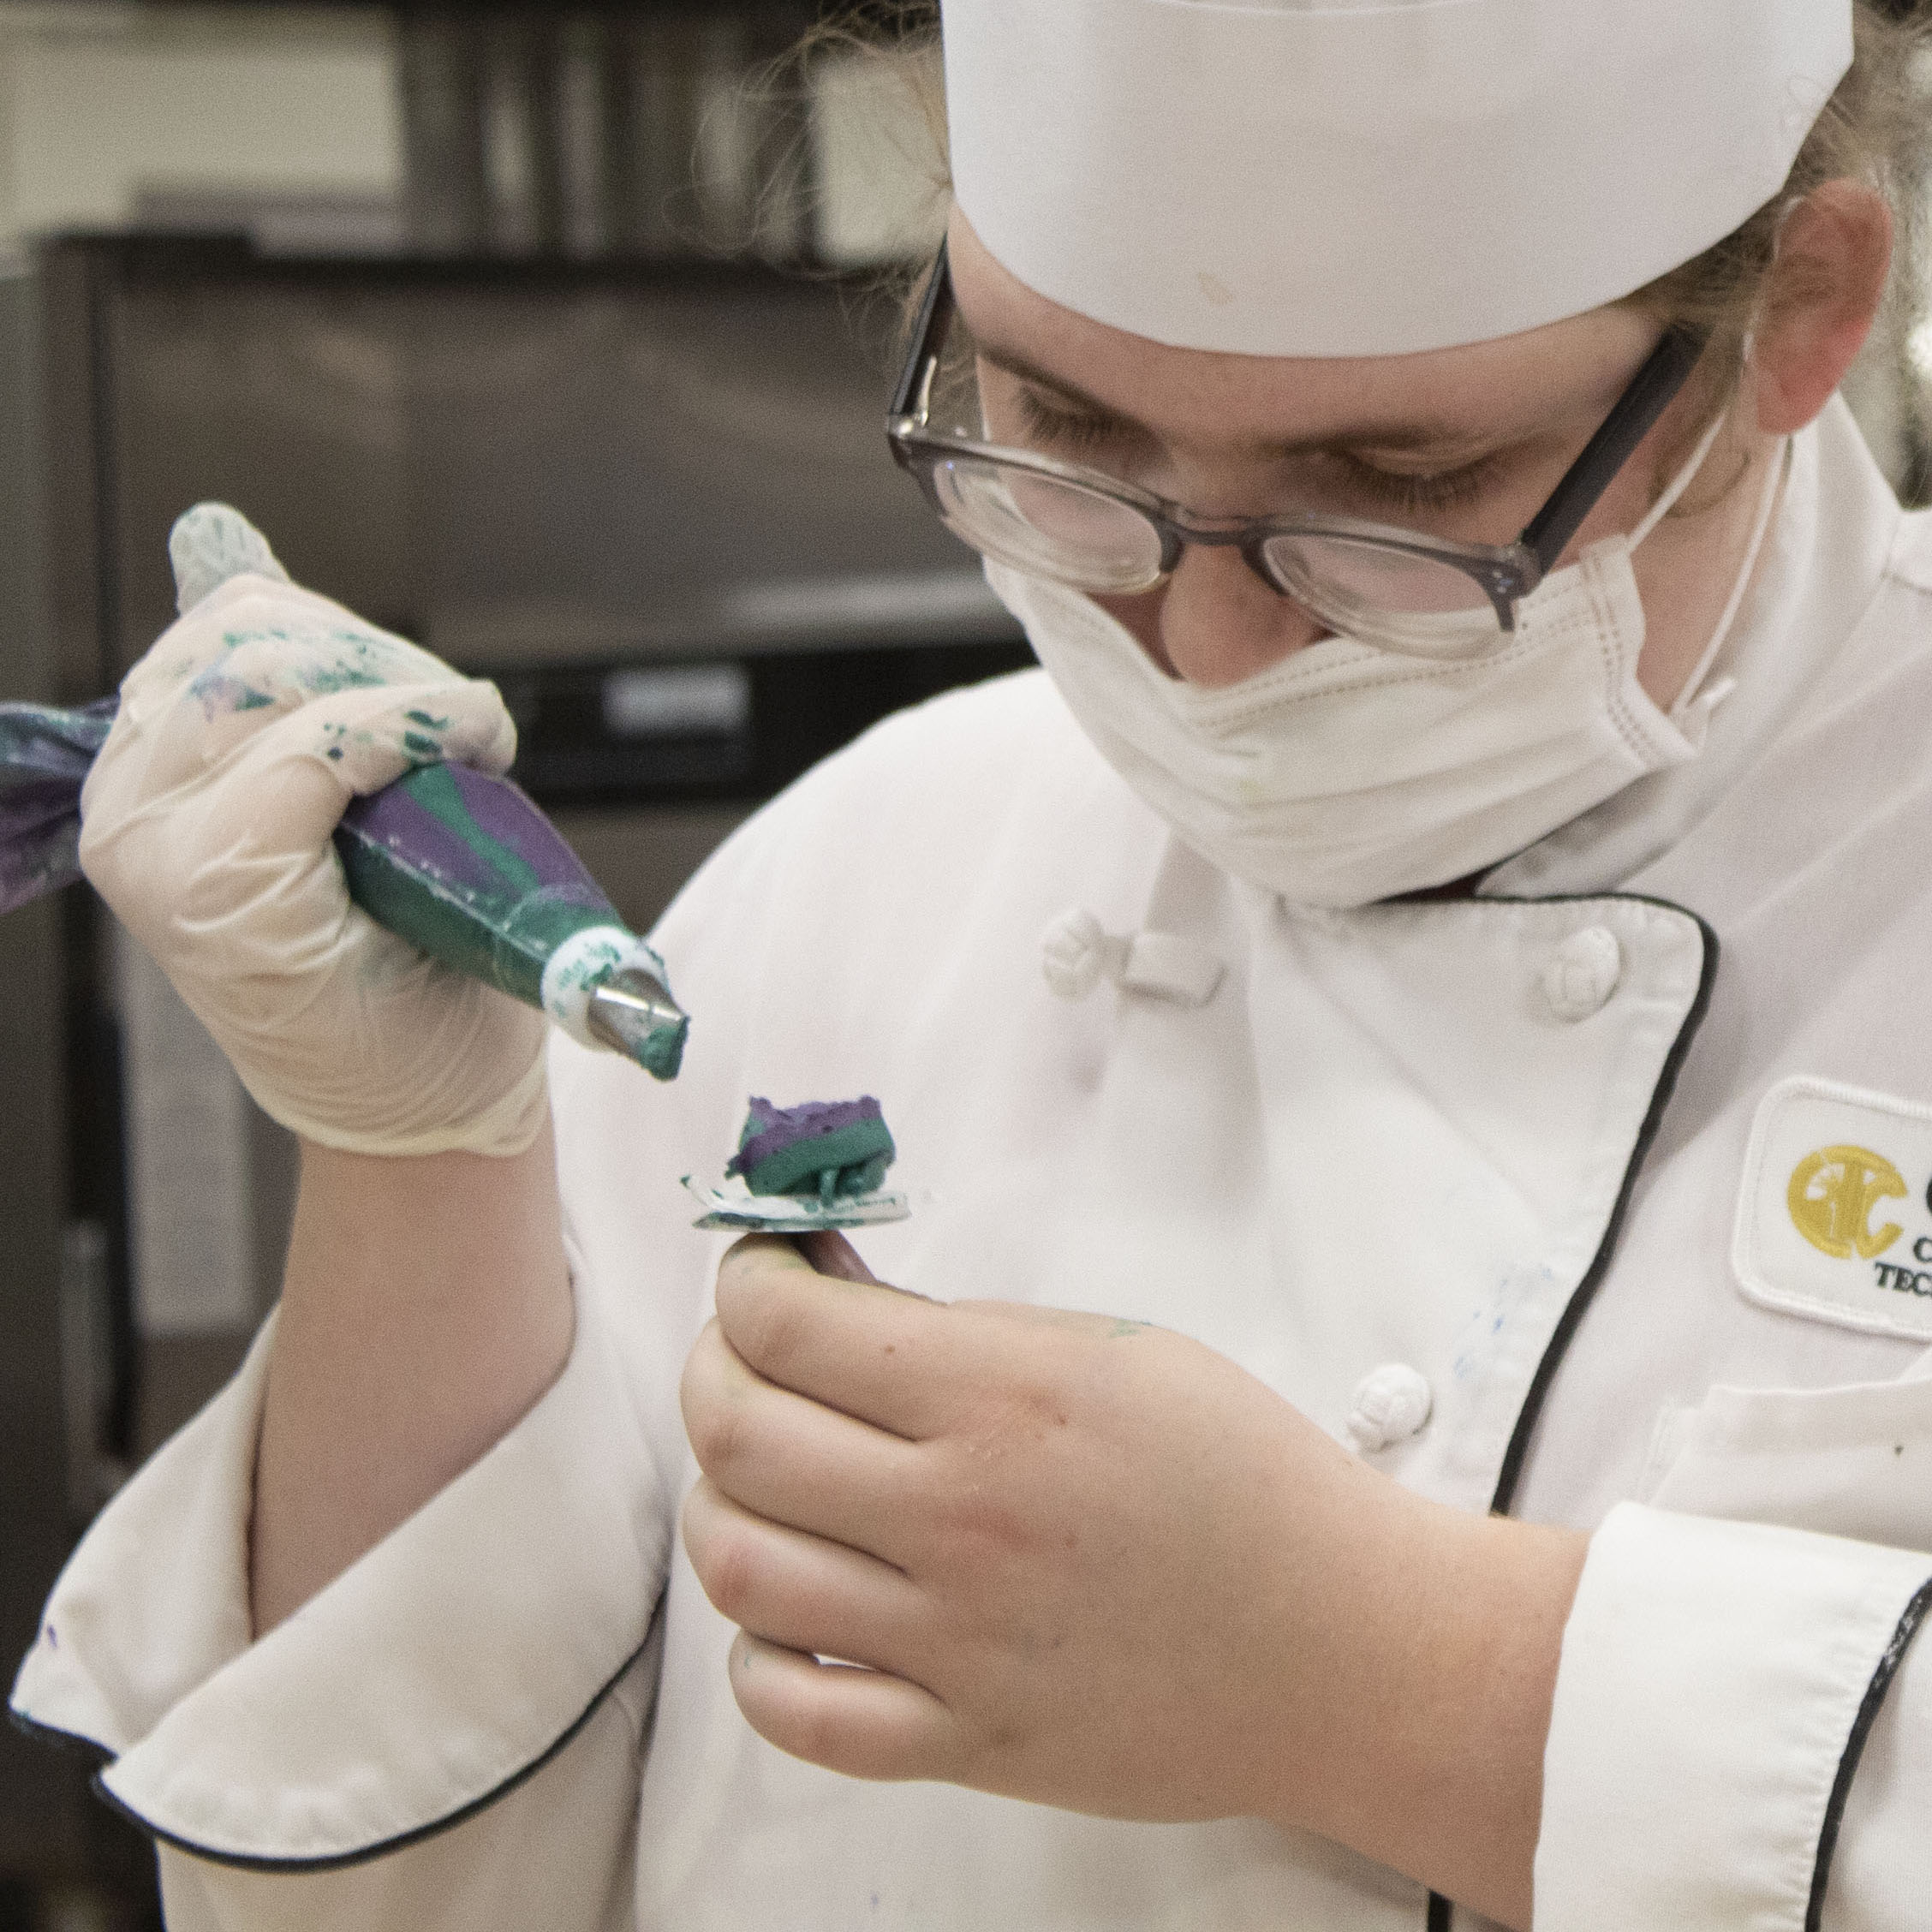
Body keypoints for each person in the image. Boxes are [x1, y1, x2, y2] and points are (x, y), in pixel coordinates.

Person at [13, 0, 1932, 1925]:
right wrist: (420, 1163)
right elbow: (398, 1877)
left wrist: (1391, 1679)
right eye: (1071, 433)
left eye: (1396, 491)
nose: (1203, 649)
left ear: (1801, 313)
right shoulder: (874, 856)